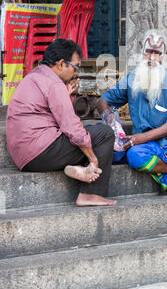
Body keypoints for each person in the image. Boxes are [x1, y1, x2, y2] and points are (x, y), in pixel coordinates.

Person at [6, 38, 116, 207]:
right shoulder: (54, 84)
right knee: (104, 134)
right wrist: (93, 159)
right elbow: (72, 128)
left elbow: (50, 118)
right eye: (75, 67)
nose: (76, 73)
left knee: (86, 133)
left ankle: (74, 169)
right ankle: (90, 194)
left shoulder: (34, 76)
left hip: (23, 156)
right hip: (40, 152)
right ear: (61, 64)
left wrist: (65, 97)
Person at [97, 29, 167, 195]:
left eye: (157, 53)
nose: (152, 58)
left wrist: (141, 137)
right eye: (149, 52)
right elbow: (102, 100)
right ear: (142, 52)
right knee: (134, 156)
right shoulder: (131, 79)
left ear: (164, 56)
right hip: (146, 145)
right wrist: (110, 119)